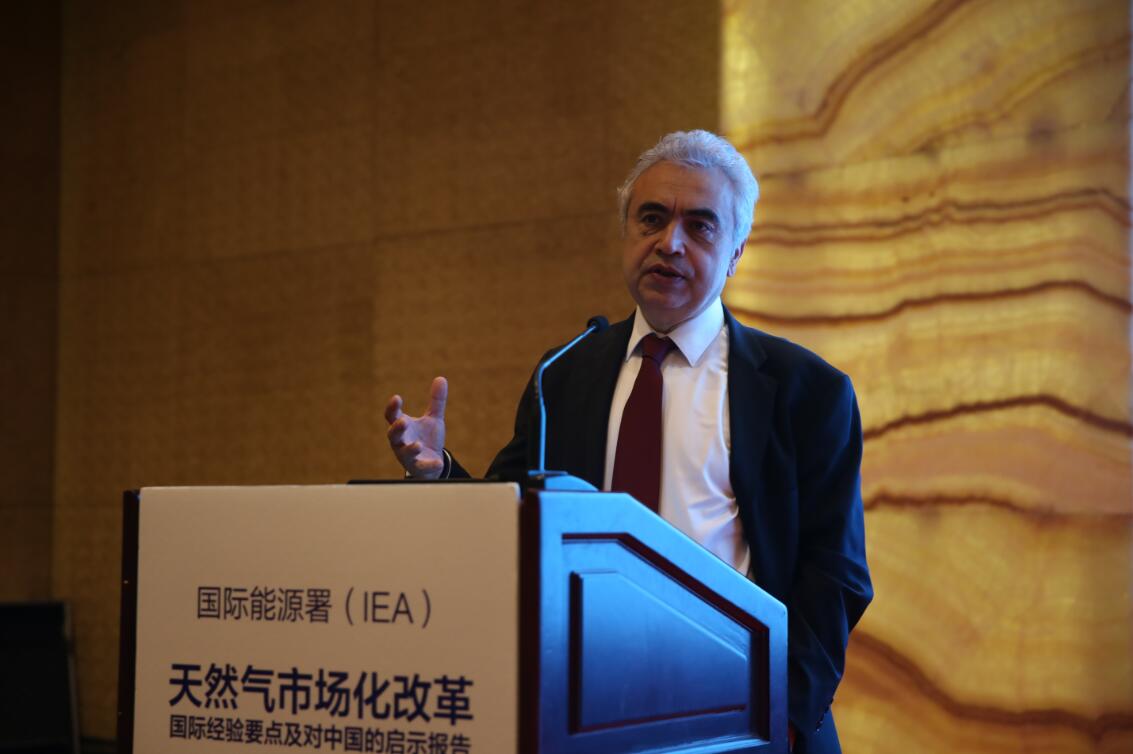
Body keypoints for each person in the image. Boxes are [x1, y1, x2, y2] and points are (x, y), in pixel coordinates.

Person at [385, 130, 872, 754]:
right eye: (651, 218)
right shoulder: (566, 372)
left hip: (743, 712)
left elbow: (836, 574)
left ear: (735, 252)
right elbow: (512, 518)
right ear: (626, 232)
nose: (669, 243)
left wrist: (782, 718)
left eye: (700, 226)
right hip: (586, 708)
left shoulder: (806, 390)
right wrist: (438, 473)